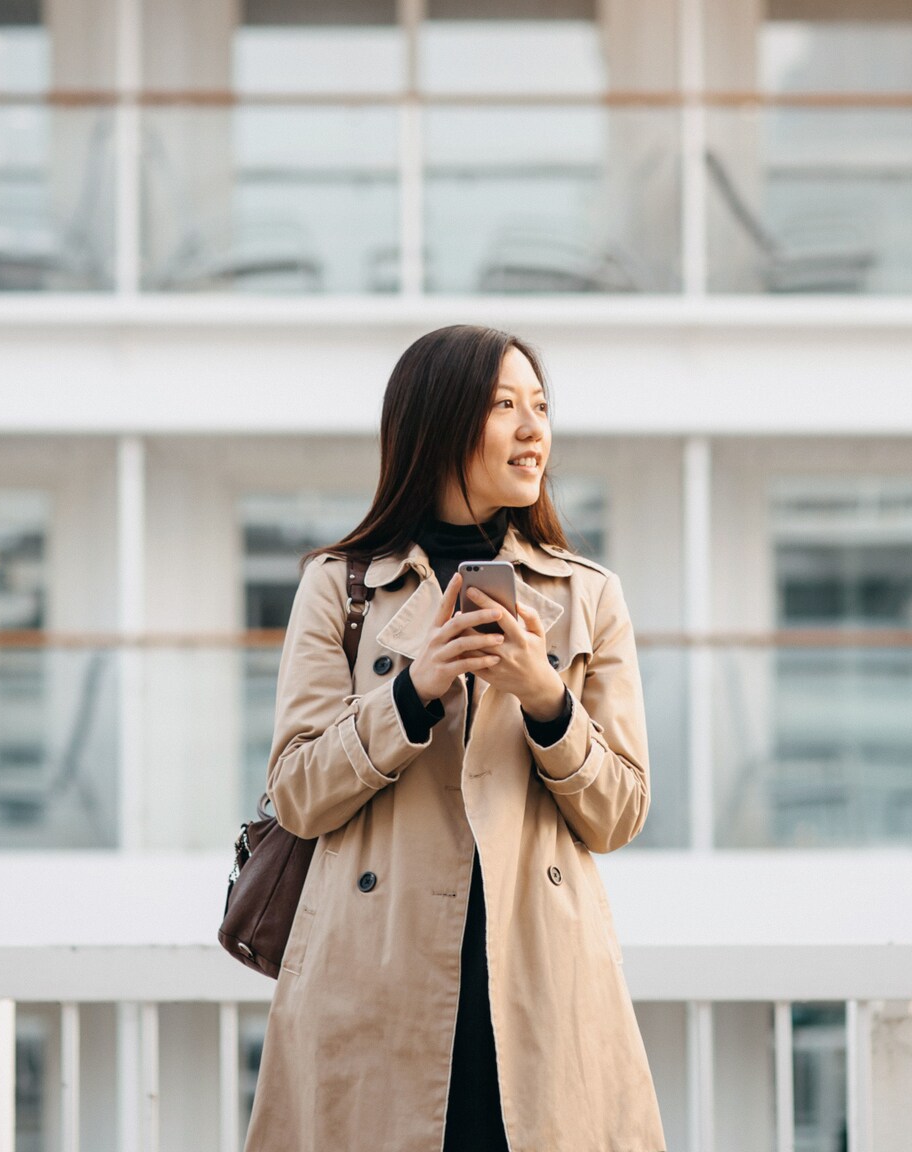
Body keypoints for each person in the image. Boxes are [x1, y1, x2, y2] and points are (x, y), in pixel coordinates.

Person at [245, 325, 664, 1152]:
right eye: (504, 406)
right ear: (439, 424)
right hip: (376, 977)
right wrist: (412, 691)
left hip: (539, 980)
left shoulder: (587, 596)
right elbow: (295, 792)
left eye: (540, 406)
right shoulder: (341, 587)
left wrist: (546, 700)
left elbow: (620, 814)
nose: (533, 428)